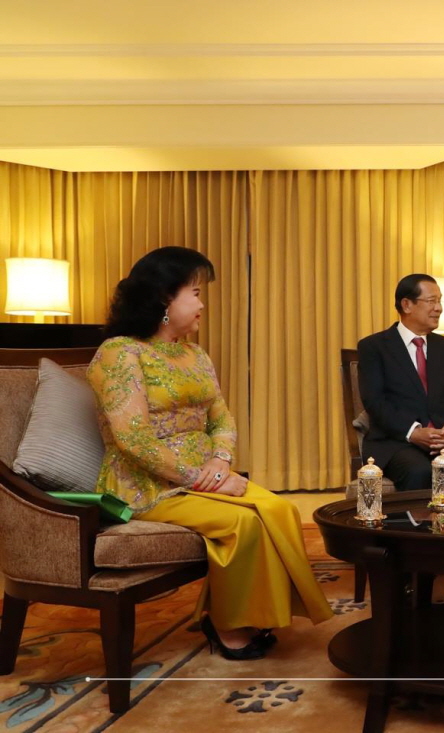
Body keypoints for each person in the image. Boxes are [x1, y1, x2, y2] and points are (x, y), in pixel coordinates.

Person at [87, 247, 332, 661]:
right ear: (165, 298)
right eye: (196, 293)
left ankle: (239, 612)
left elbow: (222, 419)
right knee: (242, 522)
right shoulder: (120, 353)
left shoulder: (196, 355)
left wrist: (220, 462)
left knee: (281, 510)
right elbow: (134, 440)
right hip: (144, 487)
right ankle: (226, 624)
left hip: (203, 477)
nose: (202, 305)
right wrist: (204, 477)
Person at [356, 273, 444, 600]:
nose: (439, 308)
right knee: (418, 471)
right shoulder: (374, 347)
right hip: (397, 442)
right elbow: (375, 402)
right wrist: (415, 433)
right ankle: (409, 568)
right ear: (406, 304)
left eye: (440, 301)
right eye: (432, 301)